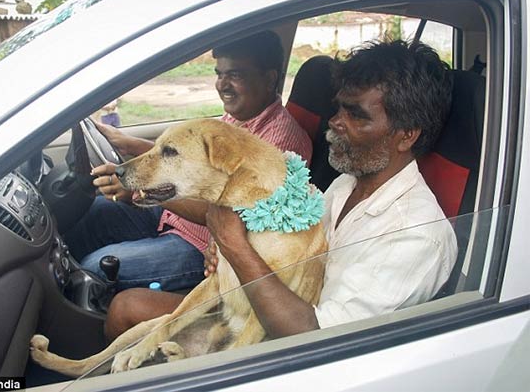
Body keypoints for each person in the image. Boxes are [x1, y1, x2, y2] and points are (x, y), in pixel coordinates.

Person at [105, 39, 457, 341]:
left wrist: (235, 246)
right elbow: (289, 243)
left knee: (127, 309)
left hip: (287, 344)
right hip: (262, 305)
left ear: (406, 135)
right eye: (338, 109)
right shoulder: (349, 183)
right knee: (127, 308)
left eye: (357, 115)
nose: (335, 122)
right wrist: (226, 254)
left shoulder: (415, 235)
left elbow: (314, 337)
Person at [64, 31, 312, 296]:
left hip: (203, 246)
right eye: (219, 74)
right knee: (95, 212)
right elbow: (186, 160)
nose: (222, 85)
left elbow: (230, 215)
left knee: (94, 268)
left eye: (235, 75)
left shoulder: (278, 145)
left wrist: (143, 191)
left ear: (269, 78)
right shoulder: (237, 119)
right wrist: (129, 144)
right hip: (174, 217)